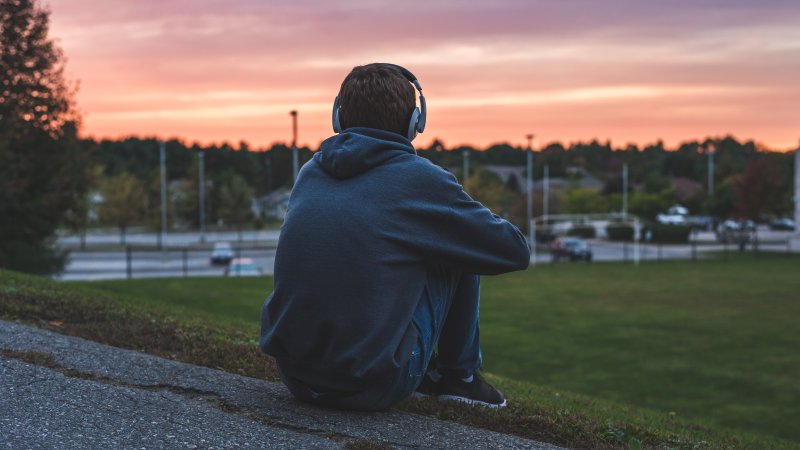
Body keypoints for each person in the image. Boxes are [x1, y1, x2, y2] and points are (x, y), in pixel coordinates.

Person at [259, 63, 530, 411]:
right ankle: (459, 379)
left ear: (338, 117)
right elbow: (514, 250)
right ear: (415, 122)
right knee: (460, 249)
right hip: (374, 384)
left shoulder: (311, 171)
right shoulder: (421, 179)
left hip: (296, 376)